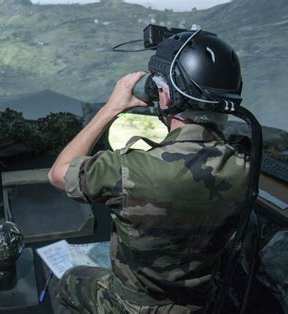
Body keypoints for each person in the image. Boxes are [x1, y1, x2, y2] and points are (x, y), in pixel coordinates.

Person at [48, 29, 249, 313]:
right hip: (202, 301)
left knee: (69, 280)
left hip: (136, 306)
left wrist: (110, 108)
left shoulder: (133, 170)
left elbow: (59, 173)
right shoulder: (245, 166)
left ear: (165, 96)